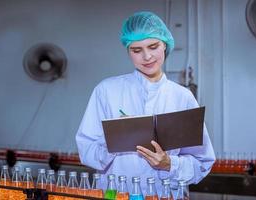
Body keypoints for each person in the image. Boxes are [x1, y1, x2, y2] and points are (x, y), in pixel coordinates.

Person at [75, 11, 215, 194]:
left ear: (164, 45)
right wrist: (116, 139)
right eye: (137, 50)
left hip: (165, 195)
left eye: (153, 46)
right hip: (116, 194)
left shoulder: (183, 97)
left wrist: (169, 164)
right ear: (128, 51)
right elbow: (87, 151)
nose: (147, 56)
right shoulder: (106, 91)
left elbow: (202, 163)